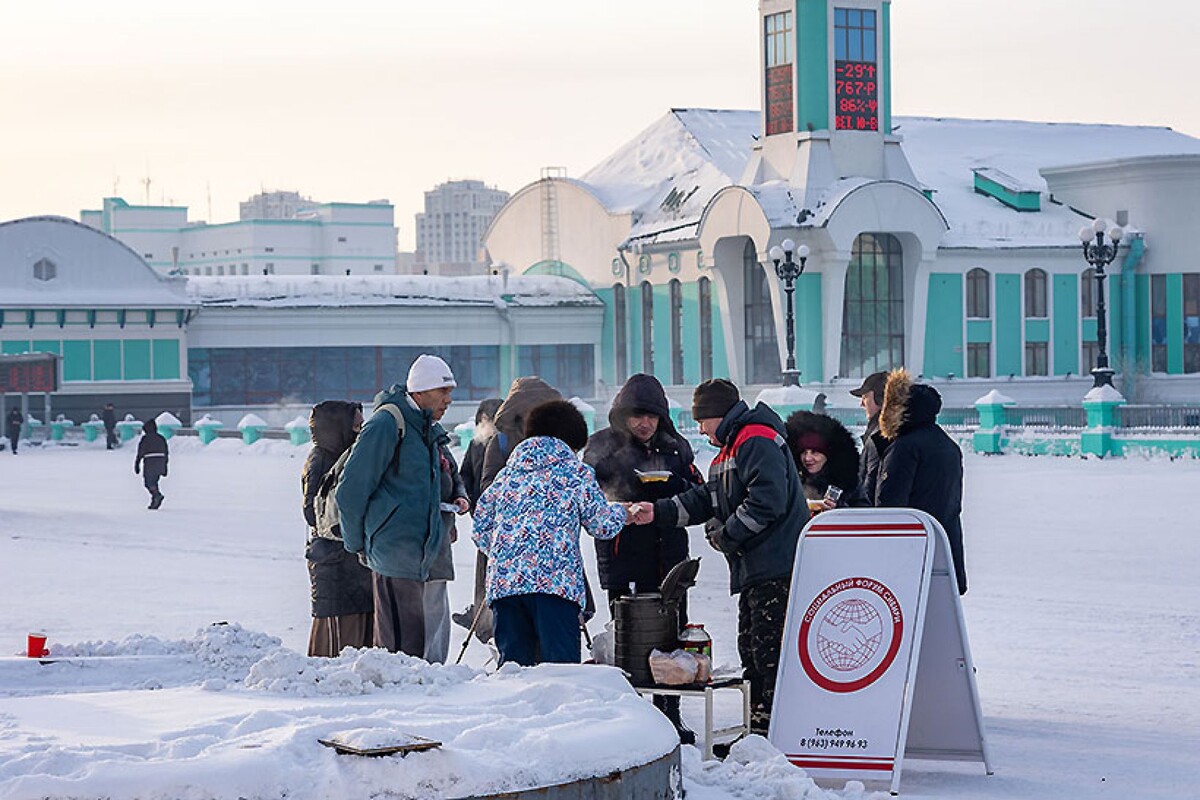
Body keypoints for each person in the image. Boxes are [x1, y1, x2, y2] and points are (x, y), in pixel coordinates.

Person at [632, 379, 808, 736]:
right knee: (752, 649)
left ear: (718, 415)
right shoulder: (728, 451)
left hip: (778, 566)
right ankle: (758, 727)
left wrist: (726, 535)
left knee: (769, 652)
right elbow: (704, 500)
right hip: (755, 569)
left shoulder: (755, 439)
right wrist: (658, 511)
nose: (700, 429)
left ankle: (778, 730)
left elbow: (766, 503)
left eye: (702, 421)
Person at [582, 373, 702, 744]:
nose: (644, 424)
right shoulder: (601, 446)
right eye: (637, 416)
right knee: (628, 639)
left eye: (651, 416)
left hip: (669, 557)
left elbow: (699, 494)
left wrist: (672, 488)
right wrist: (626, 500)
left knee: (670, 638)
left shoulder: (676, 447)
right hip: (624, 556)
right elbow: (587, 499)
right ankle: (631, 718)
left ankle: (670, 714)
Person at [473, 399, 627, 667]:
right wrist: (624, 512)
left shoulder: (506, 475)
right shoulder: (575, 473)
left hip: (505, 588)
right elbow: (602, 525)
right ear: (570, 442)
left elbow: (480, 529)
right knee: (560, 672)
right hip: (555, 587)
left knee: (513, 672)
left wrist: (511, 554)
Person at [336, 353, 456, 656]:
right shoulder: (387, 423)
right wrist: (358, 544)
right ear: (420, 392)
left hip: (420, 555)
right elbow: (350, 491)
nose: (448, 400)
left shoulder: (426, 428)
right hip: (393, 554)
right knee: (398, 654)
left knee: (417, 651)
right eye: (443, 391)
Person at [457, 377, 562, 644]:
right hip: (507, 539)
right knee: (513, 625)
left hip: (550, 545)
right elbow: (485, 486)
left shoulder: (557, 444)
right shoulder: (500, 442)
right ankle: (486, 626)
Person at [873, 368, 969, 595]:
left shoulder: (904, 447)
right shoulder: (947, 444)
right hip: (945, 546)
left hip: (912, 551)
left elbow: (890, 506)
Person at [301, 400, 373, 657]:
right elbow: (312, 512)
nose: (360, 430)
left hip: (351, 562)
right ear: (337, 428)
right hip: (333, 562)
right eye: (356, 426)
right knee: (336, 638)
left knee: (360, 631)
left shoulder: (350, 457)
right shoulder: (321, 460)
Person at [425, 436, 468, 663]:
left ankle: (435, 663)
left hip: (440, 532)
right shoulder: (399, 435)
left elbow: (454, 474)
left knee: (436, 602)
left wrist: (459, 496)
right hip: (411, 539)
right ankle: (421, 663)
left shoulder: (437, 439)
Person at [785, 410, 861, 511]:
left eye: (815, 452)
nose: (807, 458)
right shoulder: (790, 481)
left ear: (828, 455)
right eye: (803, 452)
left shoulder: (850, 483)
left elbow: (863, 512)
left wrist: (839, 508)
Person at [849, 371, 888, 505]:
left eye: (865, 397)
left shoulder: (879, 437)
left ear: (880, 398)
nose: (862, 404)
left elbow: (869, 489)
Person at [133, 419, 169, 509]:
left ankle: (157, 495)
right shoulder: (161, 438)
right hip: (160, 462)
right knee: (154, 481)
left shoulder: (145, 439)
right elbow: (166, 452)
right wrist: (165, 466)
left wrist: (137, 464)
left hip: (150, 462)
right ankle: (154, 500)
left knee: (148, 482)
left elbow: (140, 452)